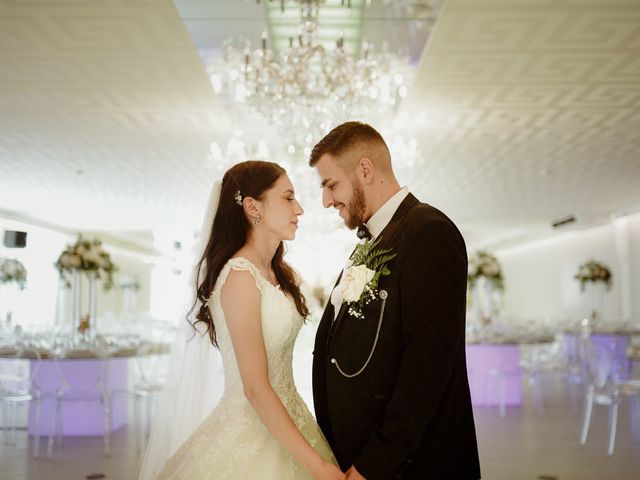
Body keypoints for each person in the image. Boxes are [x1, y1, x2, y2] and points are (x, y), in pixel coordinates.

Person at [140, 160, 343, 480]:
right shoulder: (239, 276)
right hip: (250, 428)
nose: (300, 208)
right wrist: (317, 467)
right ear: (252, 207)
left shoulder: (282, 274)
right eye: (288, 197)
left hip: (293, 416)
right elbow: (255, 387)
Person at [309, 122, 481, 479]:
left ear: (365, 170)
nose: (326, 200)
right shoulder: (373, 240)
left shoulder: (428, 232)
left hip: (412, 466)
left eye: (330, 184)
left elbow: (427, 368)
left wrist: (372, 465)